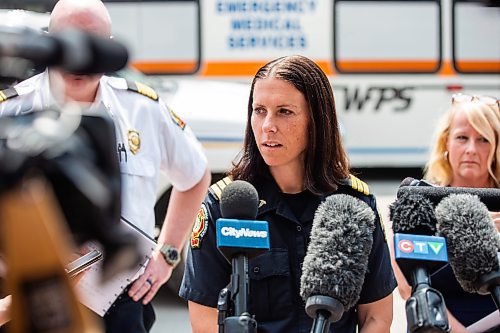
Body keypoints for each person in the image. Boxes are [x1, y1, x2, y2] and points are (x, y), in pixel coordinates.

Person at [0, 1, 211, 332]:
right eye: (69, 40)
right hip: (28, 293)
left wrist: (168, 255)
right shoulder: (11, 111)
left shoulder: (142, 108)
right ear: (48, 40)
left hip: (121, 299)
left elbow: (196, 175)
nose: (79, 54)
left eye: (92, 42)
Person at [179, 55, 396, 333]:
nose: (268, 124)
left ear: (316, 121)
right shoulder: (223, 207)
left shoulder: (355, 205)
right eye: (259, 110)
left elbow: (376, 317)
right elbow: (204, 322)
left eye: (284, 111)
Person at [392, 94, 500, 332]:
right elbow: (407, 288)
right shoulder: (417, 206)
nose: (471, 149)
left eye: (483, 139)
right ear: (446, 144)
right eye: (462, 137)